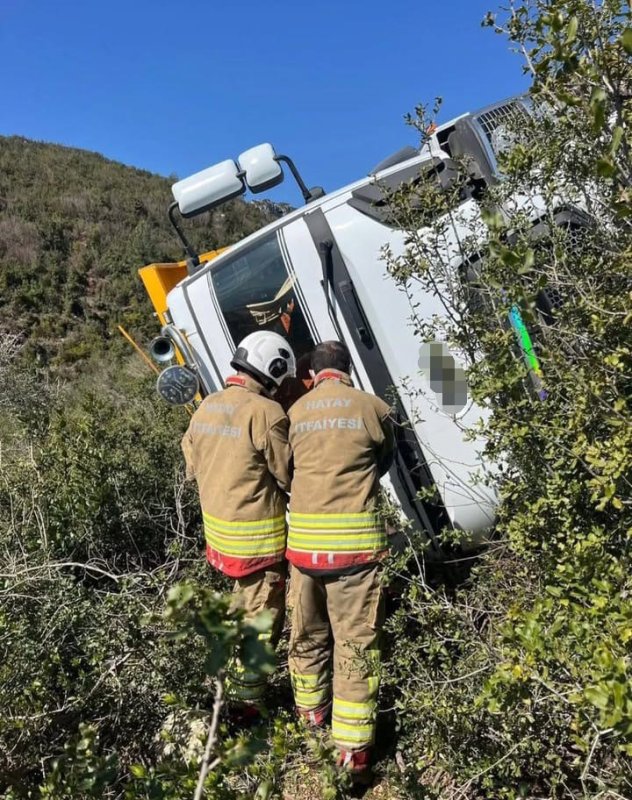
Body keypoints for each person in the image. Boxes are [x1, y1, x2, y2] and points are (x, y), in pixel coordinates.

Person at [286, 340, 395, 781]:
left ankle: (311, 723)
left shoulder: (295, 412)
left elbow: (288, 470)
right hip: (355, 554)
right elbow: (385, 460)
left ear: (312, 374)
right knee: (355, 647)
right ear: (347, 369)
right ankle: (352, 757)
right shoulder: (374, 408)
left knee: (307, 636)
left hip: (303, 553)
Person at [181, 330, 296, 711]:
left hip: (221, 541)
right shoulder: (267, 413)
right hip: (258, 547)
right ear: (273, 369)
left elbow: (191, 461)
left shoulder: (207, 406)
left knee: (241, 612)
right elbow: (289, 475)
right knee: (262, 625)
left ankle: (225, 679)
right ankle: (244, 708)